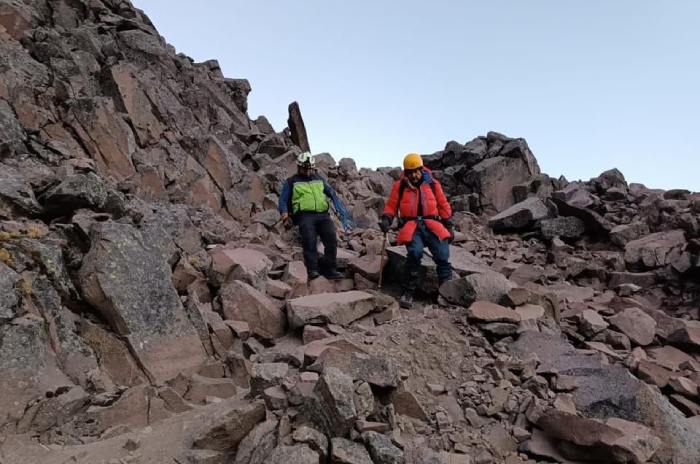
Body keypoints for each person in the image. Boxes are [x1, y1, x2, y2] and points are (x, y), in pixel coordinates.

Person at [379, 153, 454, 308]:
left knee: (442, 255)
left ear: (421, 169)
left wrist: (448, 224)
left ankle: (447, 293)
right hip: (412, 226)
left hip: (432, 224)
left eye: (416, 171)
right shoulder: (400, 186)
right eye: (410, 172)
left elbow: (442, 204)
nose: (414, 175)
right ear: (406, 173)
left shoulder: (433, 184)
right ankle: (408, 292)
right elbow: (392, 205)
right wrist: (387, 218)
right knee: (414, 253)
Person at [279, 152, 349, 280]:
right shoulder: (291, 181)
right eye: (304, 169)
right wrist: (285, 216)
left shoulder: (319, 179)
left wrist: (339, 208)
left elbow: (331, 193)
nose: (307, 171)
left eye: (309, 169)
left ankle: (330, 269)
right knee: (309, 238)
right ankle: (312, 269)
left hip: (323, 215)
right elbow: (283, 200)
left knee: (331, 237)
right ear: (299, 167)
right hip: (304, 215)